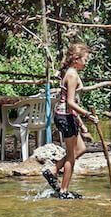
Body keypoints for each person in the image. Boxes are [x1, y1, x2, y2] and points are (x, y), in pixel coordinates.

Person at [41, 41, 99, 199]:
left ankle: (53, 170)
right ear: (76, 59)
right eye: (84, 59)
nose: (85, 62)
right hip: (65, 117)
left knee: (81, 149)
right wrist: (88, 115)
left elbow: (71, 105)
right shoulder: (72, 75)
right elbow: (70, 102)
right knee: (71, 155)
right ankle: (64, 191)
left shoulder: (72, 72)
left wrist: (81, 124)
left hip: (69, 116)